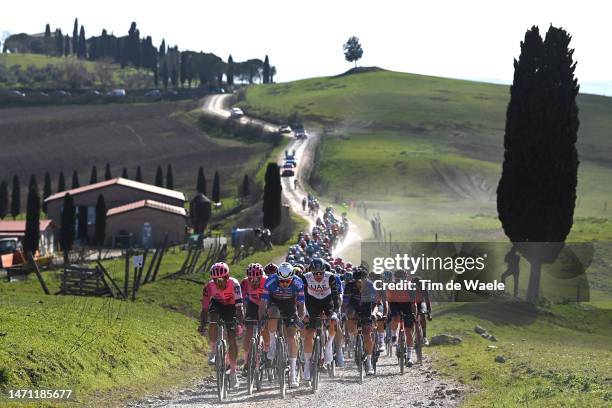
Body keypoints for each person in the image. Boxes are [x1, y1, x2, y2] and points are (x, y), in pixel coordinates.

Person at [199, 262, 244, 388]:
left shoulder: (234, 284)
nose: (219, 283)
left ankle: (233, 371)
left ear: (227, 277)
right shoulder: (209, 287)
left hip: (231, 307)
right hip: (217, 304)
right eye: (216, 280)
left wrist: (240, 324)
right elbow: (204, 309)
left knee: (232, 338)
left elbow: (240, 308)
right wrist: (202, 324)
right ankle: (213, 351)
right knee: (213, 318)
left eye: (221, 279)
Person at [260, 262, 305, 388]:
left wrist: (299, 318)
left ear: (292, 278)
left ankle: (293, 374)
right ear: (277, 277)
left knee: (291, 335)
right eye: (282, 281)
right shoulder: (270, 281)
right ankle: (273, 344)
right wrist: (262, 317)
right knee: (272, 313)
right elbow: (263, 303)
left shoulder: (298, 282)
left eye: (287, 281)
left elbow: (301, 305)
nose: (284, 284)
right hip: (274, 303)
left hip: (290, 305)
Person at [301, 258, 340, 382]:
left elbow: (336, 296)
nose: (318, 276)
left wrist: (334, 312)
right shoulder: (305, 277)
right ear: (311, 272)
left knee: (333, 321)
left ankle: (328, 347)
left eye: (320, 273)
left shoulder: (331, 277)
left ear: (324, 272)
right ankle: (307, 363)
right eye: (315, 273)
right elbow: (303, 297)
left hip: (327, 301)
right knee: (309, 334)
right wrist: (305, 313)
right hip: (312, 302)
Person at [342, 267, 379, 374]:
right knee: (350, 314)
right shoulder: (350, 286)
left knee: (367, 332)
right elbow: (345, 303)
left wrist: (373, 314)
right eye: (357, 282)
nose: (360, 284)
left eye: (362, 281)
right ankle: (354, 337)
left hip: (367, 306)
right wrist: (344, 314)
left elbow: (374, 305)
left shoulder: (371, 286)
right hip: (354, 306)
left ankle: (369, 363)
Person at [240, 263, 269, 371]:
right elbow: (241, 300)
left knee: (265, 328)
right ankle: (246, 361)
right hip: (253, 304)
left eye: (257, 278)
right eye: (251, 278)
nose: (253, 281)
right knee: (249, 329)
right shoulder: (244, 282)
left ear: (261, 276)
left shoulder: (267, 281)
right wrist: (241, 315)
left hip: (266, 304)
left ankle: (266, 349)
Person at [386, 269, 417, 367]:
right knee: (396, 318)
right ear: (395, 278)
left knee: (408, 332)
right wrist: (389, 312)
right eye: (398, 279)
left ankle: (409, 356)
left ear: (405, 278)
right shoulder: (392, 286)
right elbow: (389, 301)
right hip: (394, 304)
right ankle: (394, 335)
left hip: (407, 305)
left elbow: (414, 303)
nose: (400, 281)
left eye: (402, 278)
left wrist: (414, 315)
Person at [412, 275, 433, 347]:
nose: (417, 287)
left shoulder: (424, 289)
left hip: (421, 303)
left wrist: (429, 314)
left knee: (422, 315)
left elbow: (427, 302)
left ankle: (424, 337)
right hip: (412, 303)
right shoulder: (409, 289)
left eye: (418, 285)